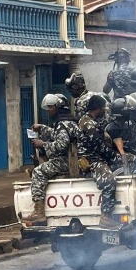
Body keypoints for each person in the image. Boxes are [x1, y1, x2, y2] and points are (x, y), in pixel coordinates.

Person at [22, 95, 78, 225]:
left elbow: (61, 146)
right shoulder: (68, 121)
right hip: (72, 159)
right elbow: (56, 135)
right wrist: (42, 128)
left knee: (38, 171)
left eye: (51, 107)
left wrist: (43, 145)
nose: (49, 110)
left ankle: (39, 212)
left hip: (68, 161)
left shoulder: (63, 124)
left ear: (58, 107)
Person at [77, 95, 121, 229]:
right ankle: (106, 217)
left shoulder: (91, 121)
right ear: (98, 108)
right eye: (104, 107)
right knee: (109, 181)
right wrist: (115, 157)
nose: (105, 109)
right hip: (92, 160)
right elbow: (100, 148)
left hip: (97, 157)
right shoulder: (89, 124)